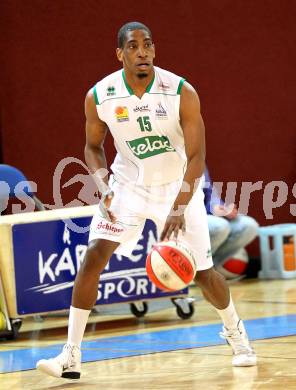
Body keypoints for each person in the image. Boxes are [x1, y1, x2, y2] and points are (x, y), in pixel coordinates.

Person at [36, 21, 256, 379]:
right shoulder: (100, 95)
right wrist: (102, 184)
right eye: (134, 46)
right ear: (120, 54)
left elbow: (197, 157)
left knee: (203, 273)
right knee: (93, 257)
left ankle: (237, 335)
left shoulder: (181, 91)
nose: (143, 52)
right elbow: (93, 148)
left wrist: (180, 206)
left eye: (149, 45)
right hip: (127, 188)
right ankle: (70, 356)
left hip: (176, 186)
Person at [203, 167, 259, 270]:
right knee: (220, 227)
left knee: (248, 226)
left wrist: (217, 207)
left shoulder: (199, 160)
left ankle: (210, 269)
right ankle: (198, 269)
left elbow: (209, 194)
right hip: (180, 218)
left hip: (203, 216)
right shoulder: (168, 159)